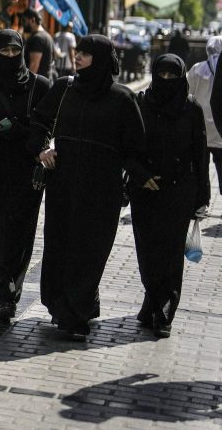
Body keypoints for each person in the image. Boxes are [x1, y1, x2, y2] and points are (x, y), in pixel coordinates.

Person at [30, 34, 146, 341]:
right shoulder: (65, 88)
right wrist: (43, 148)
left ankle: (78, 312)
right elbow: (39, 122)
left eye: (85, 53)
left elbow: (135, 146)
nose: (77, 56)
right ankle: (62, 307)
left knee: (90, 250)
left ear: (101, 58)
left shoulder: (121, 98)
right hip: (64, 186)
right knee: (61, 245)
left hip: (101, 190)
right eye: (77, 51)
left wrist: (138, 176)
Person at [0, 30, 52, 320]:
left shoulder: (40, 85)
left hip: (25, 168)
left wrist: (22, 132)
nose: (11, 57)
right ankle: (4, 283)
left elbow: (48, 126)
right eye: (5, 52)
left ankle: (6, 294)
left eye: (16, 51)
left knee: (20, 233)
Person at [129, 54, 210, 338]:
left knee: (171, 253)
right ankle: (152, 298)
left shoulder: (191, 109)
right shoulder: (141, 104)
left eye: (171, 77)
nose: (165, 82)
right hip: (146, 191)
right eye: (160, 75)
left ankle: (165, 309)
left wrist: (202, 197)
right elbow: (128, 146)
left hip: (179, 191)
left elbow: (201, 153)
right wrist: (141, 176)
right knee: (147, 251)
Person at [188, 36, 222, 205]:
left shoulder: (197, 69)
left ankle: (202, 200)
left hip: (200, 124)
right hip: (219, 126)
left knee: (201, 167)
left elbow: (188, 94)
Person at [21, 8, 55, 79]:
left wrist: (26, 84)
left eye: (24, 21)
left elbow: (34, 66)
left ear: (32, 20)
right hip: (45, 81)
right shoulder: (47, 35)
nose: (23, 24)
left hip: (37, 85)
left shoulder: (37, 38)